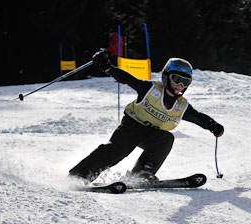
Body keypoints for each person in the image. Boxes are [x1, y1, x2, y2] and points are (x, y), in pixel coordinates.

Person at [69, 51, 224, 184]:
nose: (180, 86)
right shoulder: (150, 89)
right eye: (177, 80)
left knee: (166, 138)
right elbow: (128, 79)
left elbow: (198, 117)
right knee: (117, 151)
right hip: (132, 126)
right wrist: (107, 67)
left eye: (185, 82)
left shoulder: (181, 105)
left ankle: (142, 173)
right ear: (166, 77)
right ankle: (80, 175)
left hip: (151, 134)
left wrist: (213, 125)